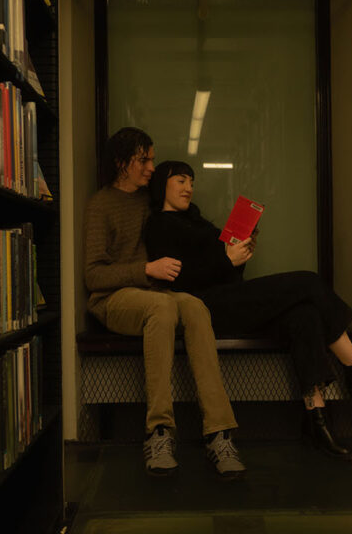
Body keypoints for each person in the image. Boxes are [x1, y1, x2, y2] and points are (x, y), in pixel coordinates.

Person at [143, 160, 352, 459]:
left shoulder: (199, 222)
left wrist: (240, 256)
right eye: (180, 181)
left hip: (228, 298)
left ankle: (316, 418)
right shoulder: (159, 225)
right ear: (162, 184)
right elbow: (181, 280)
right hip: (200, 309)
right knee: (307, 282)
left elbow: (225, 273)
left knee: (304, 314)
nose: (189, 187)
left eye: (191, 181)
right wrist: (225, 260)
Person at [83, 128, 246, 480]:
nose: (151, 167)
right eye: (144, 160)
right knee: (165, 308)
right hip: (114, 298)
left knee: (194, 306)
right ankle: (159, 432)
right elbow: (93, 276)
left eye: (153, 159)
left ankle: (218, 432)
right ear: (121, 163)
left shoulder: (149, 202)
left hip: (156, 293)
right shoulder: (101, 204)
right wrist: (145, 269)